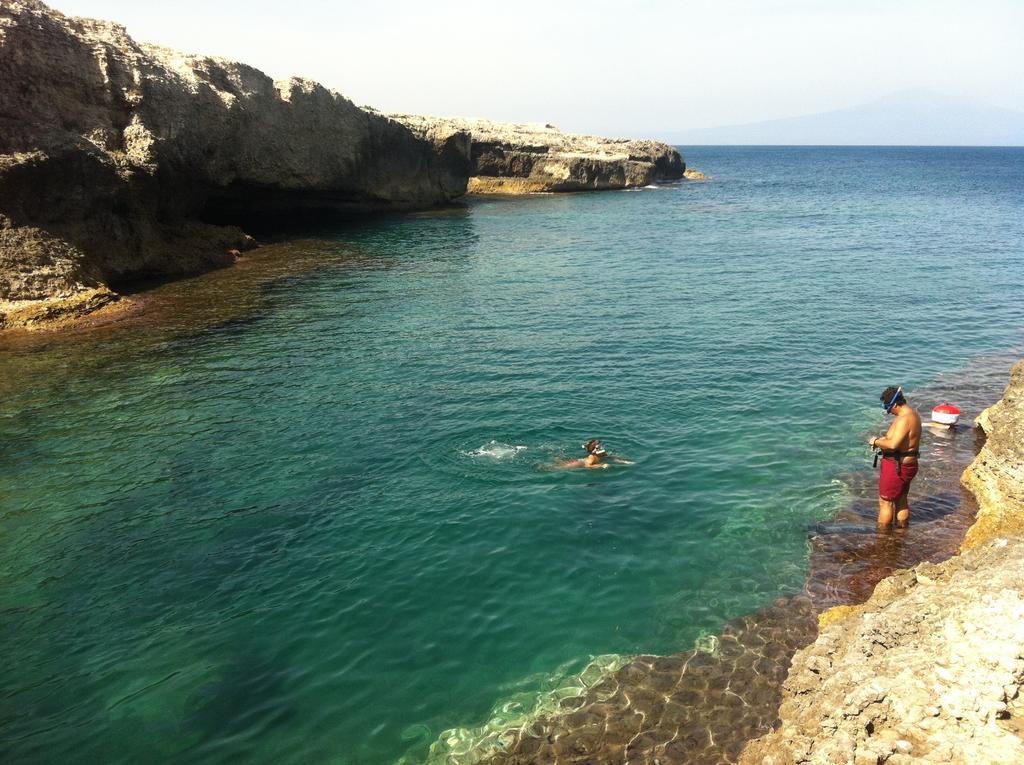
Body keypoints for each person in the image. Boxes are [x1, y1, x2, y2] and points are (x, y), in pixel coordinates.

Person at [869, 386, 922, 529]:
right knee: (901, 500)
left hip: (897, 467)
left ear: (895, 404)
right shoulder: (914, 415)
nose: (889, 412)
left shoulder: (905, 418)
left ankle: (883, 542)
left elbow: (893, 445)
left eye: (888, 408)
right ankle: (901, 534)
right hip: (908, 465)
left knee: (885, 502)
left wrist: (876, 441)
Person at [558, 439, 634, 469]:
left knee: (559, 465)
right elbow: (588, 466)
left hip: (581, 461)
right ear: (596, 449)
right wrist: (601, 465)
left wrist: (625, 462)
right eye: (600, 446)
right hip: (579, 463)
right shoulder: (592, 457)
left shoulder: (602, 454)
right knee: (558, 468)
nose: (602, 447)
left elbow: (611, 458)